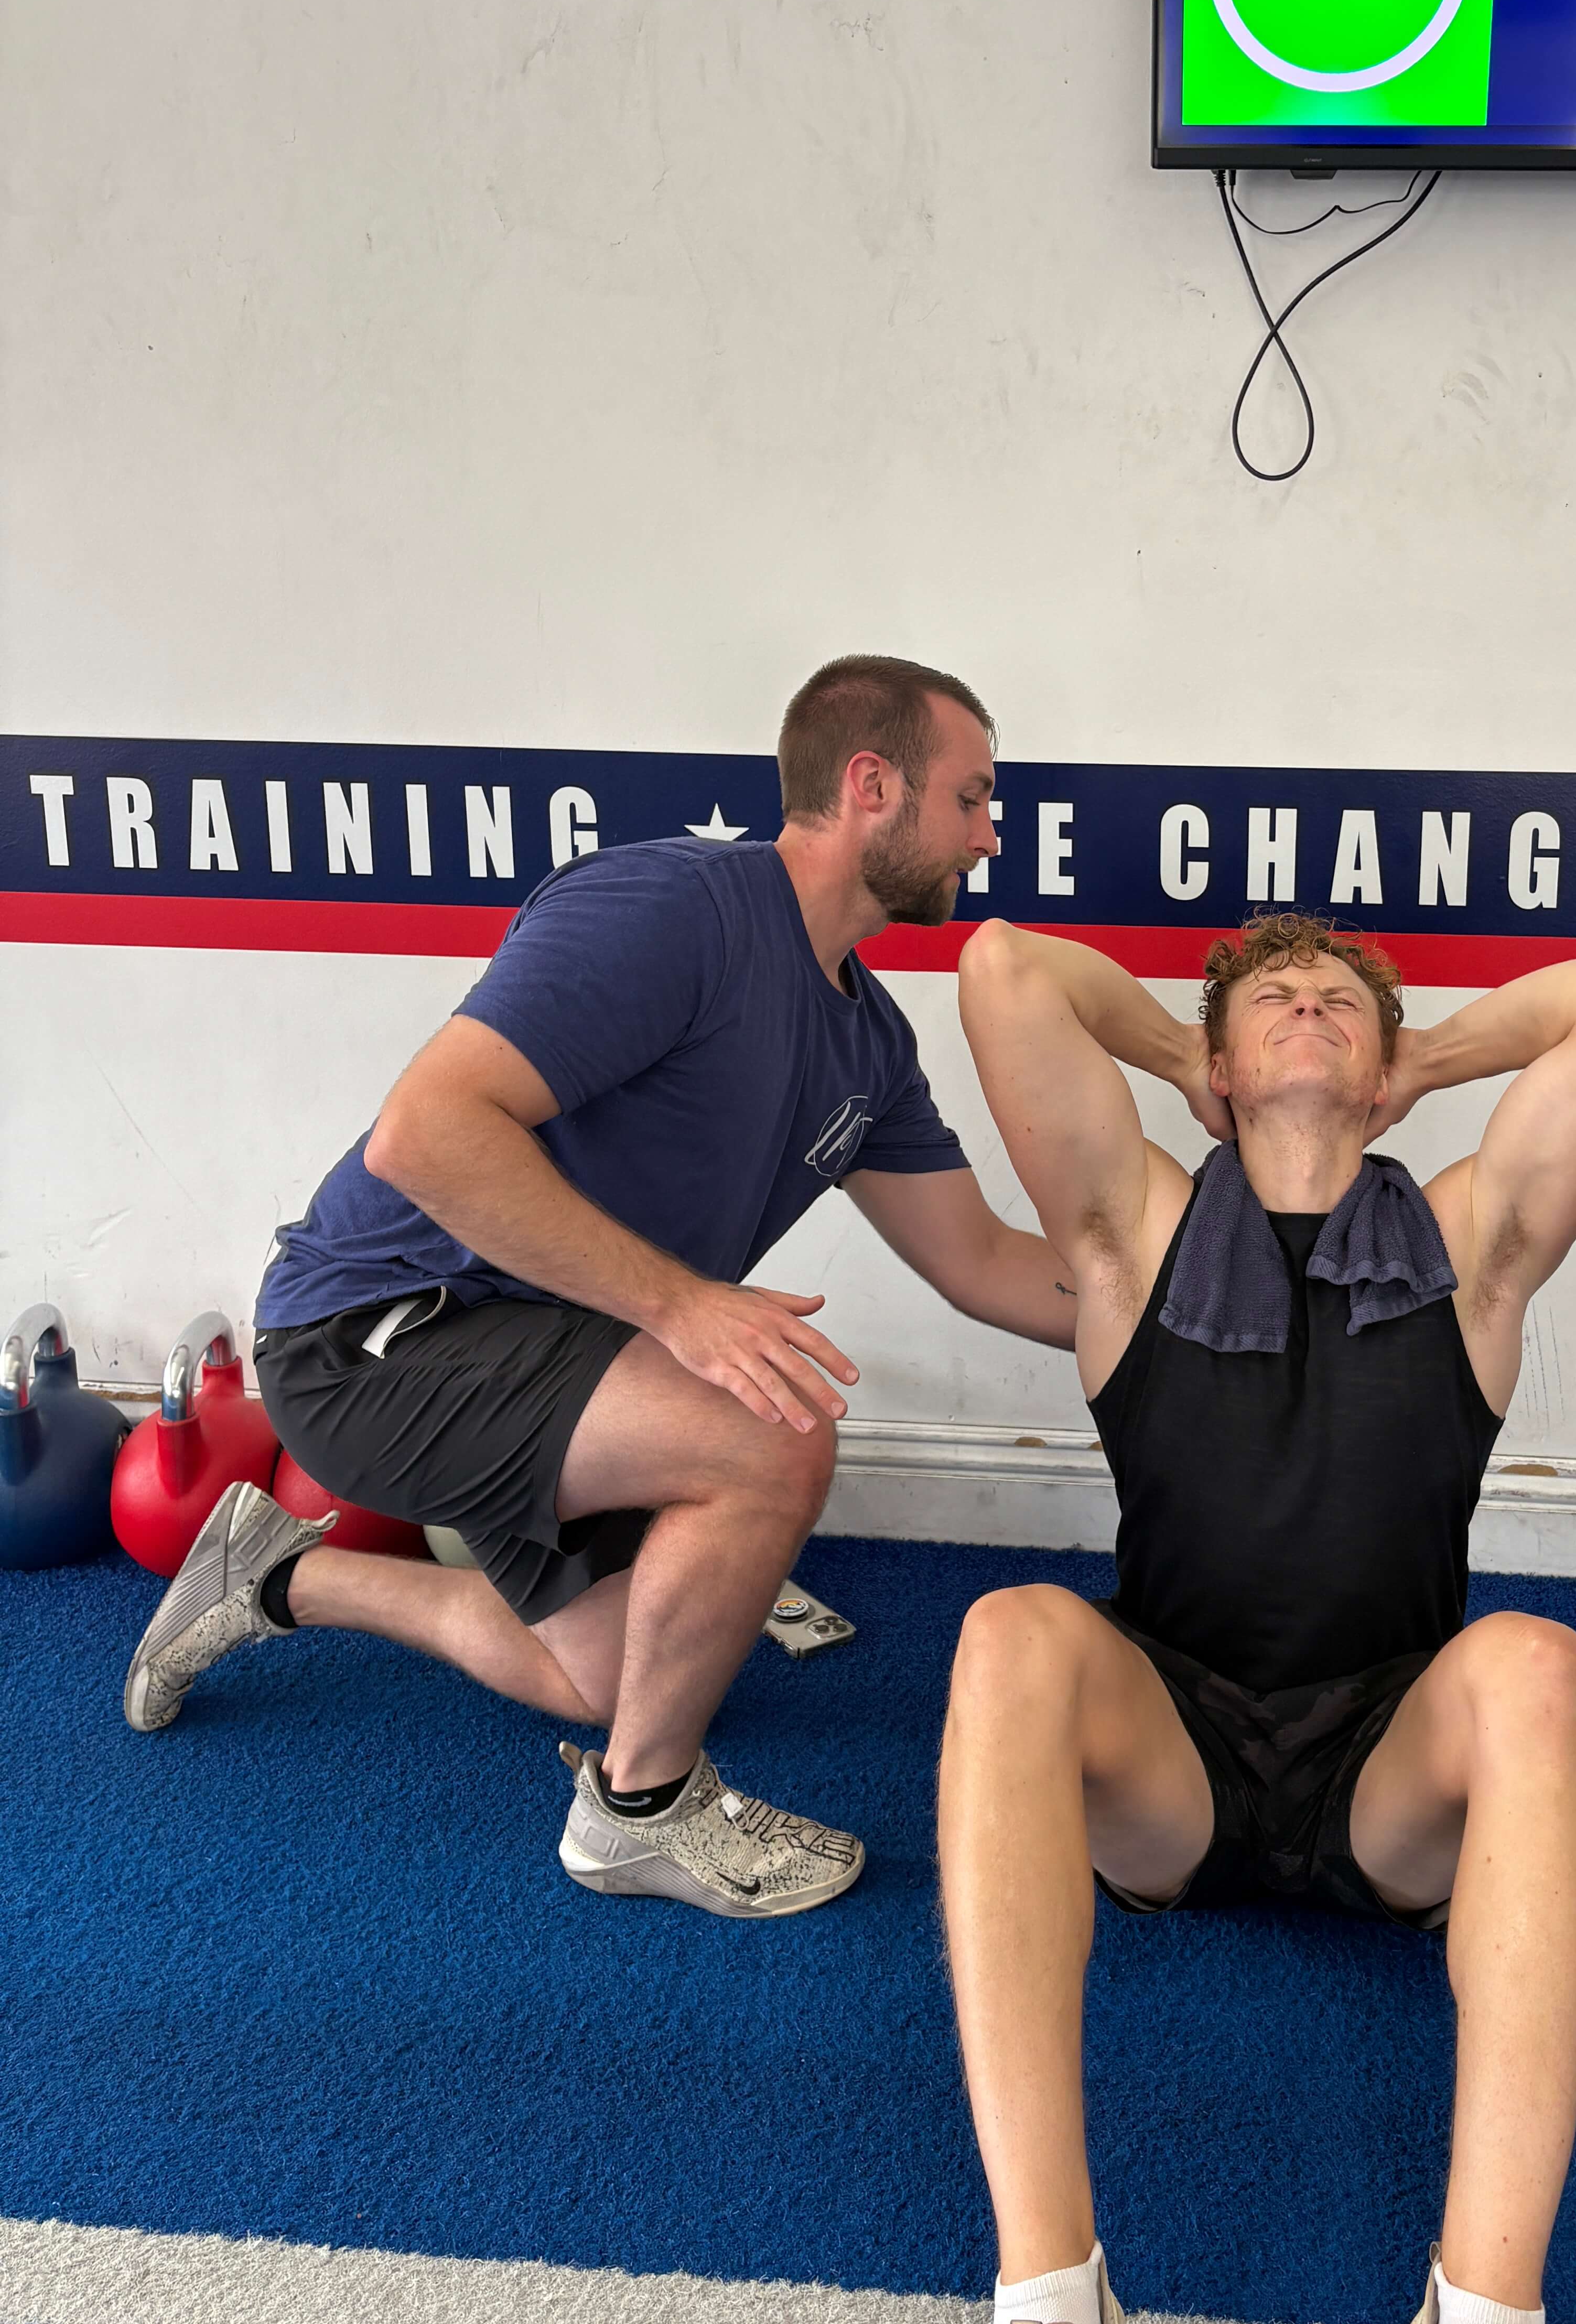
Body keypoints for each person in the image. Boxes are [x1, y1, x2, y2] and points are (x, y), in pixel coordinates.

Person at [122, 655, 1078, 1922]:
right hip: (375, 1333)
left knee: (605, 1681)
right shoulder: (676, 907)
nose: (988, 833)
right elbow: (429, 1133)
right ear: (871, 786)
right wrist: (682, 1307)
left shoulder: (868, 1040)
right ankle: (640, 1817)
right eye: (972, 798)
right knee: (769, 1430)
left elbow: (988, 1263)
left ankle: (276, 1576)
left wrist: (1214, 1311)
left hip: (549, 1348)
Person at [933, 912, 1576, 2324]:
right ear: (1216, 1063)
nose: (1303, 1003)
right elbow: (1008, 968)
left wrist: (1421, 1060)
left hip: (1388, 1774)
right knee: (1009, 1633)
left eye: (1337, 999)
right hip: (1172, 1767)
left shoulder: (1473, 1241)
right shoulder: (1128, 1234)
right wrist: (1193, 1069)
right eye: (1266, 998)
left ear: (1382, 1058)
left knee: (1541, 1663)